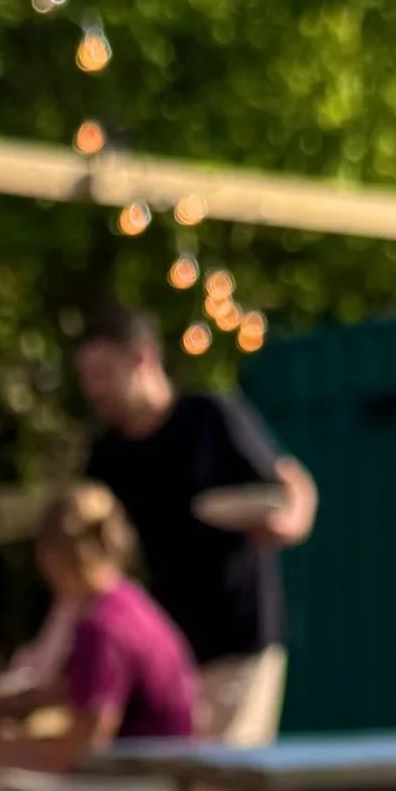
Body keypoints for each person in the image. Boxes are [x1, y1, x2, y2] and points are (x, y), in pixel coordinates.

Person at [75, 305, 316, 745]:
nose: (95, 389)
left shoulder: (209, 416)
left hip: (237, 634)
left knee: (224, 785)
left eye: (103, 373)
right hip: (165, 646)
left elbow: (291, 482)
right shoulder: (106, 454)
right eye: (87, 376)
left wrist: (290, 521)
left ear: (142, 357)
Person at [0, 483, 197, 773]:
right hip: (170, 769)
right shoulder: (129, 602)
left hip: (145, 780)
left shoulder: (102, 627)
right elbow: (77, 690)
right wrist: (15, 707)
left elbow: (85, 746)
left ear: (51, 557)